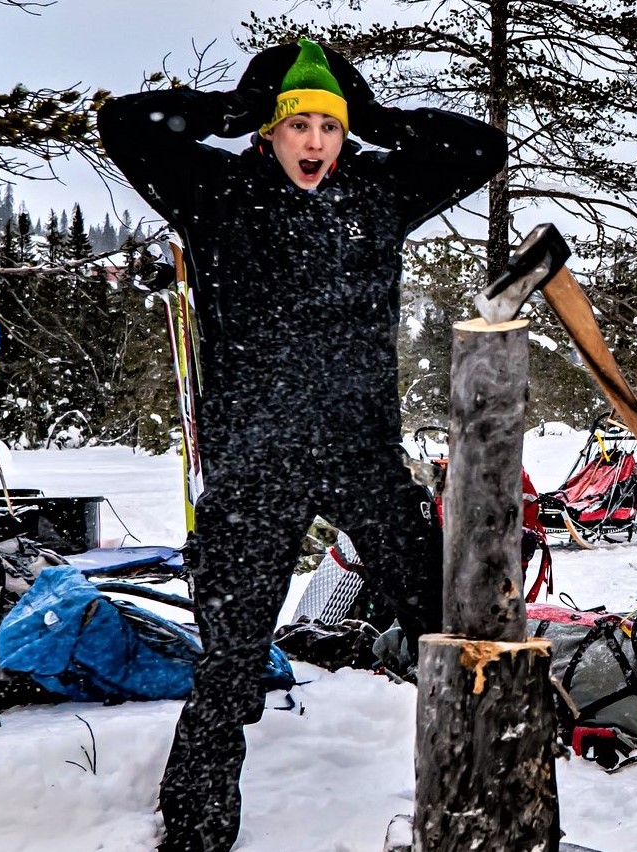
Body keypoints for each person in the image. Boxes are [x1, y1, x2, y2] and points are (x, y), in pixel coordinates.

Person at [98, 39, 506, 852]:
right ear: (269, 133)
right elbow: (123, 125)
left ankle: (484, 794)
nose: (315, 142)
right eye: (298, 125)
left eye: (329, 125)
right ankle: (197, 831)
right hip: (255, 464)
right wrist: (230, 108)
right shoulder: (218, 194)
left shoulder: (379, 191)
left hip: (361, 454)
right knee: (231, 657)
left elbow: (480, 147)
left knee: (446, 622)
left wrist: (378, 115)